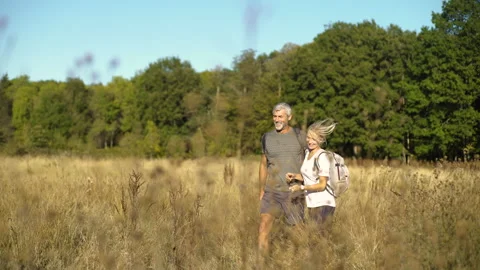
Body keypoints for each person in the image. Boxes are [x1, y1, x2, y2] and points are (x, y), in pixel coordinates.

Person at [258, 102, 307, 260]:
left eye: (281, 116)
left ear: (289, 117)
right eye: (275, 116)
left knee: (297, 231)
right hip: (271, 191)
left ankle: (303, 261)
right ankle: (262, 263)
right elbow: (263, 164)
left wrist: (305, 182)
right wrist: (261, 189)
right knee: (263, 227)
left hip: (293, 192)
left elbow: (312, 161)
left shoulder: (301, 136)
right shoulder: (267, 137)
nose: (277, 119)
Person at [286, 118, 337, 231]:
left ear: (321, 139)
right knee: (315, 239)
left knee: (320, 239)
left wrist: (301, 187)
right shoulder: (308, 153)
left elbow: (322, 185)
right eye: (308, 137)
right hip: (312, 203)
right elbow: (308, 177)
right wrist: (294, 176)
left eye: (314, 139)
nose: (310, 141)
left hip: (324, 203)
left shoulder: (322, 156)